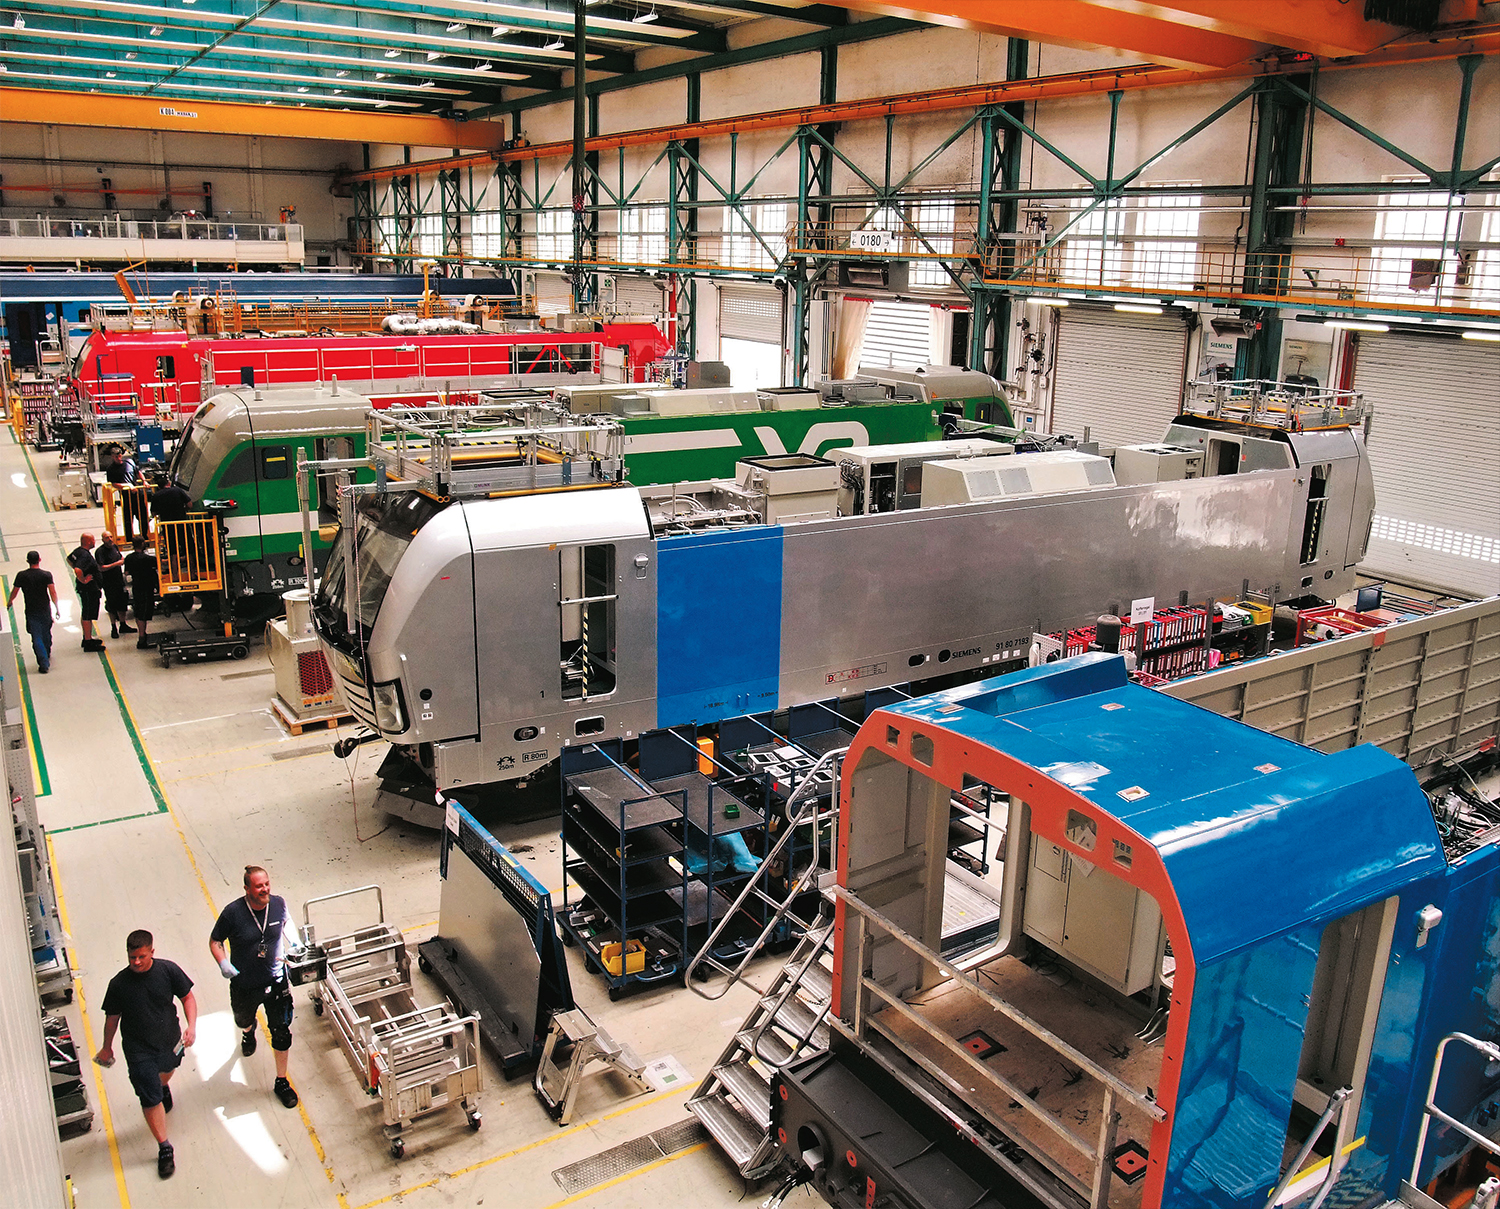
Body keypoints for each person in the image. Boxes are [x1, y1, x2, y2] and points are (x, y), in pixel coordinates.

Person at [95, 930, 197, 1180]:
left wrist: (191, 1026)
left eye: (141, 956)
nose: (136, 962)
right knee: (149, 1096)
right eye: (132, 958)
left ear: (152, 951)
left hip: (170, 1042)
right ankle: (164, 1147)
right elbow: (112, 1019)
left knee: (168, 1070)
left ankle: (162, 1087)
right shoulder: (118, 984)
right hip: (138, 1049)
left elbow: (187, 997)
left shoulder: (168, 971)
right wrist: (107, 1046)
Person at [209, 865, 299, 1109]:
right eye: (259, 886)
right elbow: (215, 940)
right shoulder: (233, 913)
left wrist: (297, 941)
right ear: (247, 888)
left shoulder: (278, 904)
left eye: (267, 884)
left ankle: (281, 1081)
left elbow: (286, 921)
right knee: (242, 1020)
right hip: (245, 985)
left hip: (276, 979)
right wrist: (223, 962)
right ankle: (249, 1031)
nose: (265, 889)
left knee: (281, 1032)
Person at [7, 551, 59, 673]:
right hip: (45, 610)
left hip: (31, 610)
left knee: (36, 637)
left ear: (27, 561)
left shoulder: (21, 575)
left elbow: (15, 591)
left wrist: (10, 601)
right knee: (46, 633)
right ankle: (47, 652)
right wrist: (56, 607)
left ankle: (43, 663)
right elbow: (52, 592)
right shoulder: (46, 575)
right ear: (39, 560)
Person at [67, 533, 104, 651]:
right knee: (88, 614)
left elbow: (69, 559)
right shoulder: (84, 556)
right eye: (93, 540)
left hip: (87, 589)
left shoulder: (78, 551)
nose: (94, 542)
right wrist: (83, 580)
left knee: (86, 613)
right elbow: (78, 569)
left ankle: (87, 637)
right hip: (88, 589)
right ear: (88, 542)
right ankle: (88, 641)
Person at [95, 534, 135, 641]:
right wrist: (116, 564)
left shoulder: (115, 547)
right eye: (107, 538)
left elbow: (121, 557)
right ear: (103, 539)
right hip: (108, 582)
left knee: (122, 602)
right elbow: (101, 568)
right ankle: (113, 627)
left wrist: (121, 561)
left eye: (111, 537)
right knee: (112, 604)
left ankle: (123, 624)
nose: (110, 539)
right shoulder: (100, 552)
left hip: (119, 580)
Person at [124, 537, 159, 650]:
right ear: (142, 544)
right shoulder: (148, 559)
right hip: (146, 589)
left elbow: (127, 573)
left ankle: (142, 635)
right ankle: (142, 638)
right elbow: (160, 564)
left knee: (139, 611)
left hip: (137, 588)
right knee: (144, 613)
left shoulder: (129, 558)